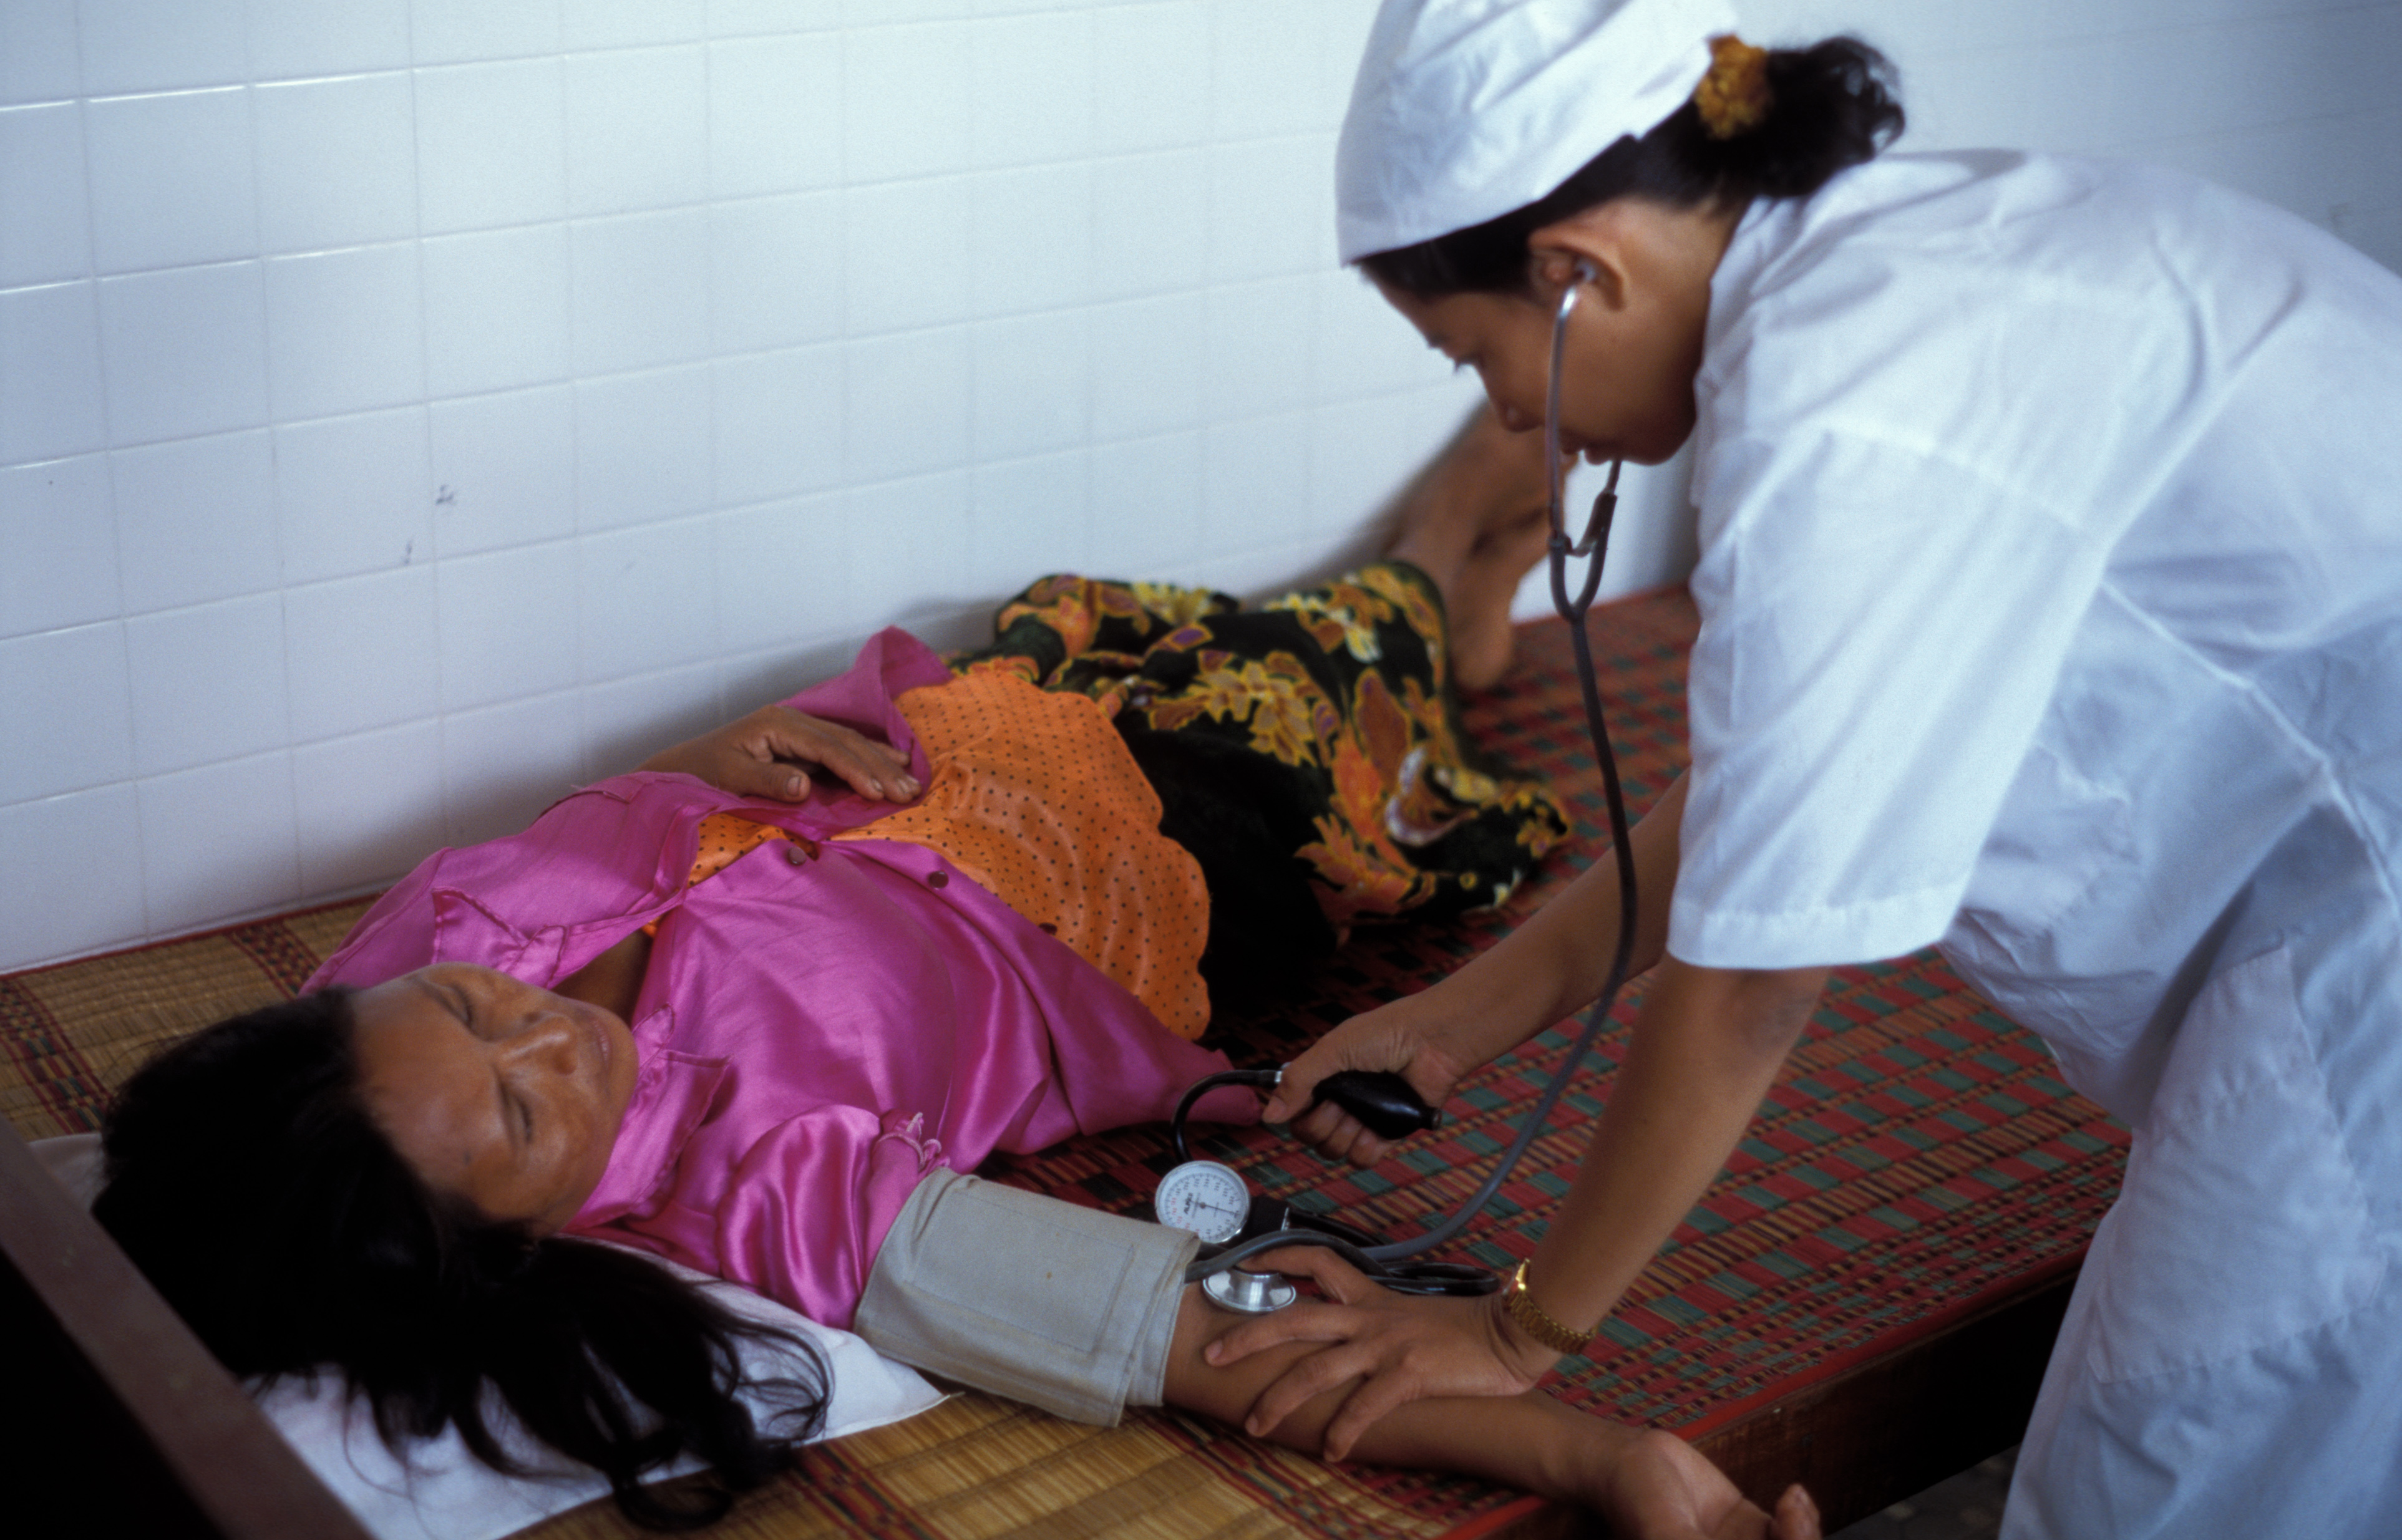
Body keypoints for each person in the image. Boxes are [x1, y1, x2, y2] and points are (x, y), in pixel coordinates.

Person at [88, 427, 1819, 1540]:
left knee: (1124, 627)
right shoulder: (755, 1181)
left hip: (946, 742)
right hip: (1132, 886)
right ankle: (1452, 557)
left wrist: (699, 757)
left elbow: (521, 887)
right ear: (517, 1240)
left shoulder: (395, 982)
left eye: (482, 1012)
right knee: (1315, 700)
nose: (546, 1030)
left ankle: (1441, 576)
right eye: (535, 1107)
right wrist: (1597, 1459)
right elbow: (1152, 1331)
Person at [1211, 0, 2402, 1535]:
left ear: (1574, 276)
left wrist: (1516, 1329)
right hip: (2326, 917)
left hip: (2359, 966)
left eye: (1472, 354)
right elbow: (1786, 787)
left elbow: (1756, 985)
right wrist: (1457, 1016)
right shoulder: (1887, 268)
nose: (1506, 407)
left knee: (2157, 1476)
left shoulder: (1843, 416)